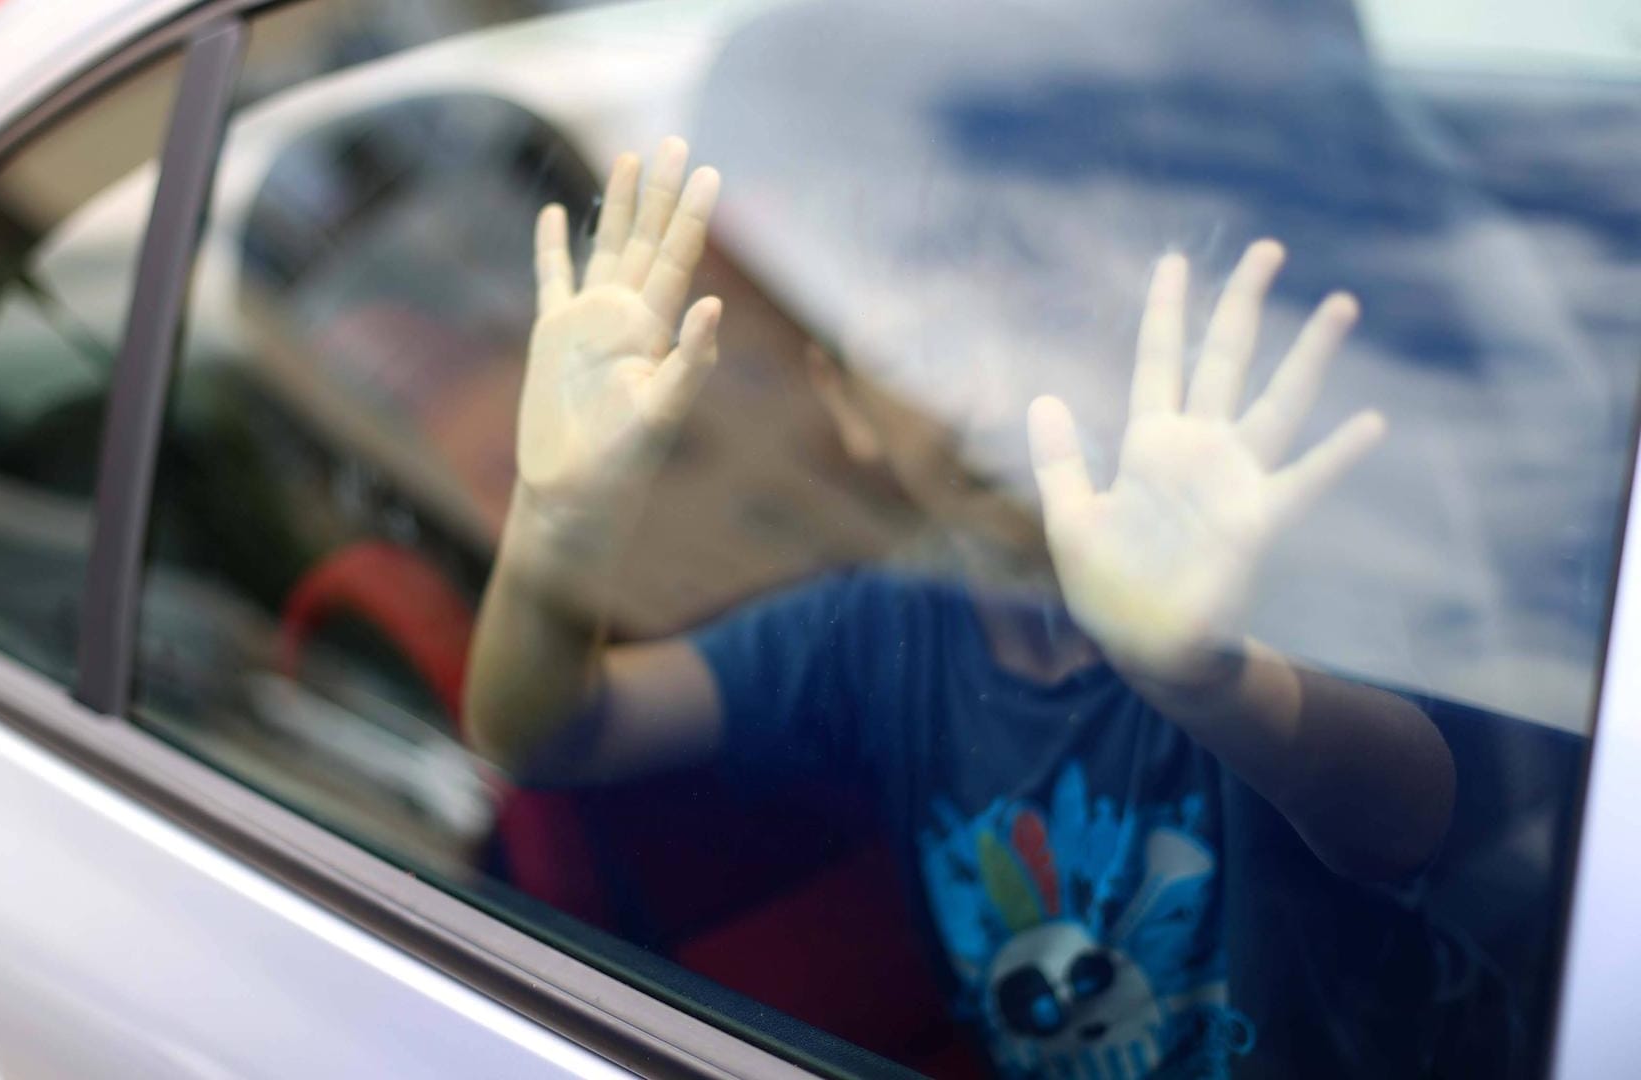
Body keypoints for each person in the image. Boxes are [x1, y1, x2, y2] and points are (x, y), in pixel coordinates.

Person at [465, 137, 1456, 1079]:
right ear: (845, 405)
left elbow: (1406, 813)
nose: (986, 395)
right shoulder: (872, 637)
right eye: (924, 353)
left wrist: (1208, 675)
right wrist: (559, 518)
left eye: (1033, 328)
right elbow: (551, 731)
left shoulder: (1230, 562)